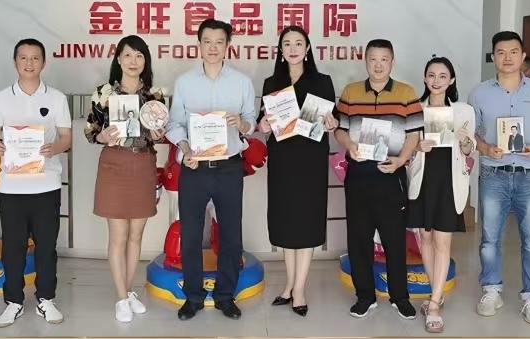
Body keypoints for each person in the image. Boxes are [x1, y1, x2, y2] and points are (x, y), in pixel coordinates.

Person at [166, 18, 256, 321]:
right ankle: (192, 297)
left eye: (219, 42)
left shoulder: (242, 82)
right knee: (191, 235)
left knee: (231, 235)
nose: (213, 47)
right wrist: (185, 147)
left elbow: (251, 121)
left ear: (228, 45)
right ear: (199, 45)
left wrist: (241, 123)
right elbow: (174, 124)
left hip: (229, 168)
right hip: (195, 168)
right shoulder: (184, 82)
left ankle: (225, 296)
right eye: (207, 41)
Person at [0, 39, 72, 328]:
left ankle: (46, 299)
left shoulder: (57, 98)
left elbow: (66, 138)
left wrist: (54, 148)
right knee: (13, 248)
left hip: (47, 185)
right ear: (15, 62)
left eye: (35, 58)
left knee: (46, 247)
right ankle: (14, 302)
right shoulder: (0, 99)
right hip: (11, 188)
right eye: (23, 57)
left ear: (44, 63)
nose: (29, 63)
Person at [335, 39, 422, 320]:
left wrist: (401, 160)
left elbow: (414, 134)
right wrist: (349, 145)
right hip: (359, 176)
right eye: (373, 59)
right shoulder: (351, 92)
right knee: (359, 239)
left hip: (391, 175)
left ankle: (400, 297)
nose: (378, 65)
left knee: (394, 239)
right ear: (366, 61)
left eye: (384, 59)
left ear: (392, 62)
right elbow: (339, 129)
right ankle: (365, 296)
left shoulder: (406, 93)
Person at [258, 25, 338, 317]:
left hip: (310, 161)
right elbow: (264, 122)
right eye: (287, 43)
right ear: (280, 50)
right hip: (282, 160)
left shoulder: (322, 81)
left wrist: (332, 123)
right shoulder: (271, 82)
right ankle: (289, 285)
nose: (293, 48)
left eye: (298, 43)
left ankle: (300, 289)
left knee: (306, 222)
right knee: (286, 223)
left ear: (307, 49)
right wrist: (263, 125)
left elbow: (332, 119)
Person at [84, 35, 166, 323]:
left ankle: (128, 291)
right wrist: (102, 136)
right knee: (118, 236)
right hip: (114, 164)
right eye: (128, 55)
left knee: (136, 235)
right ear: (118, 59)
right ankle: (121, 298)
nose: (133, 61)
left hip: (143, 164)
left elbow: (159, 134)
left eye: (139, 56)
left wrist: (158, 134)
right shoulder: (104, 92)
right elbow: (90, 131)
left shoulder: (154, 96)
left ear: (146, 61)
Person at [468, 31, 530, 326]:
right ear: (494, 57)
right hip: (493, 175)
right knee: (489, 240)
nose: (508, 57)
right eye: (501, 52)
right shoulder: (479, 93)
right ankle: (492, 291)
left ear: (523, 56)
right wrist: (486, 147)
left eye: (513, 52)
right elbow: (470, 133)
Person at [406, 56, 475, 333]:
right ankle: (437, 292)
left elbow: (469, 150)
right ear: (425, 78)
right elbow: (406, 147)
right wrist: (417, 147)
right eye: (432, 75)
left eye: (443, 76)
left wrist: (465, 141)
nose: (436, 81)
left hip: (449, 182)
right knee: (424, 238)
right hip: (422, 181)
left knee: (442, 241)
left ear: (452, 80)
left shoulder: (463, 111)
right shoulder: (415, 109)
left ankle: (433, 303)